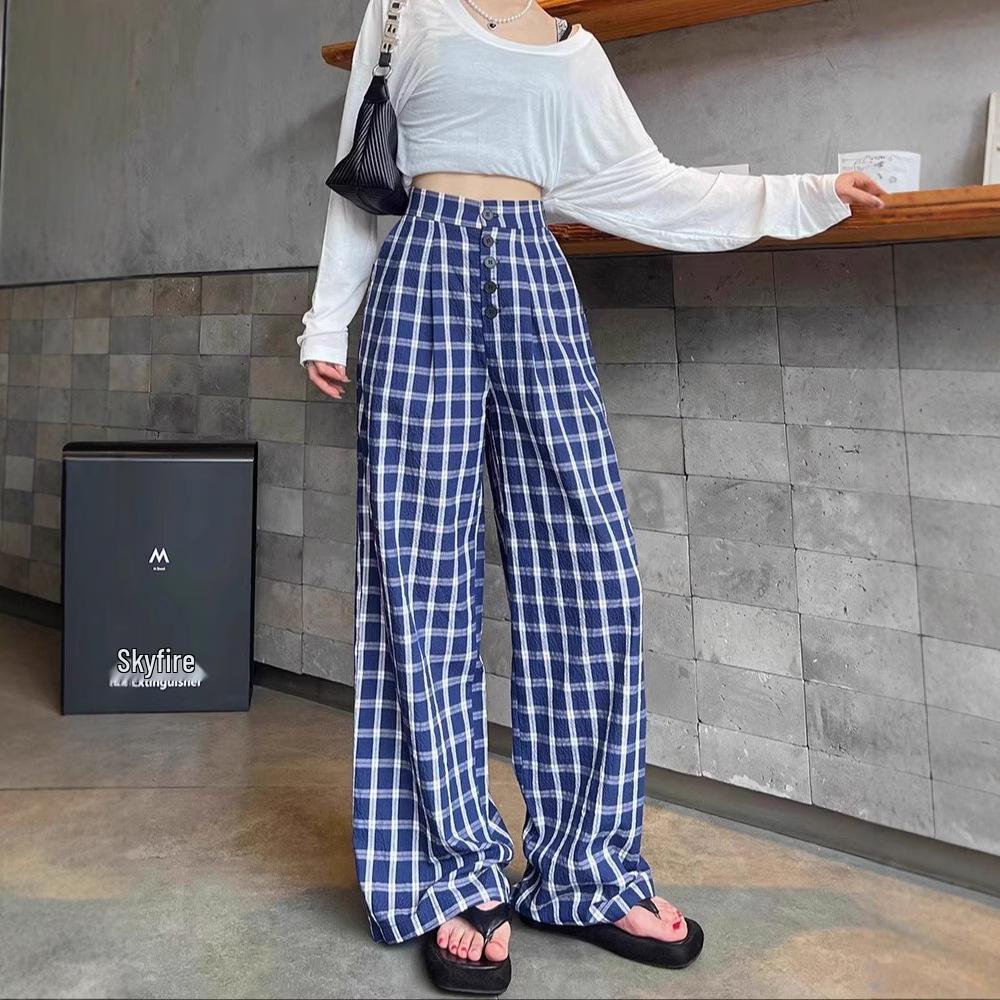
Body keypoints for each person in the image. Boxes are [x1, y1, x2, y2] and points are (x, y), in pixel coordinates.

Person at [297, 0, 886, 994]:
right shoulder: (407, 11)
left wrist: (808, 192)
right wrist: (327, 322)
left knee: (592, 574)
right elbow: (360, 174)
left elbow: (653, 186)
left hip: (535, 277)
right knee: (418, 579)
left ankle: (587, 869)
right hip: (420, 277)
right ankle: (451, 873)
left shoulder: (576, 54)